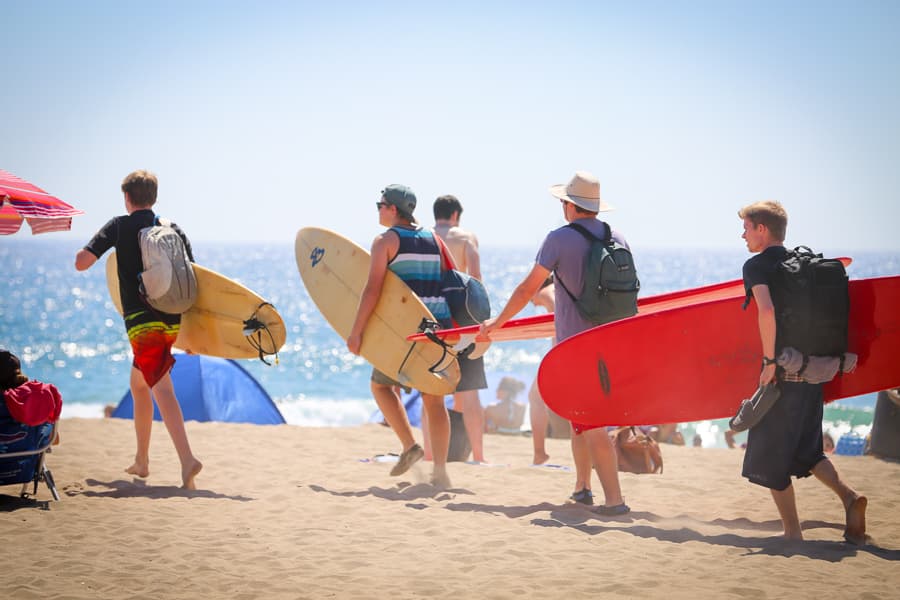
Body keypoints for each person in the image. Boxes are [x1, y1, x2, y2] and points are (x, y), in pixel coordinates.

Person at [481, 171, 629, 515]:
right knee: (580, 418)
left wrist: (496, 324)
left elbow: (527, 289)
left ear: (569, 206)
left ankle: (616, 501)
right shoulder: (618, 237)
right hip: (612, 341)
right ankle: (582, 487)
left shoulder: (559, 239)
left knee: (592, 425)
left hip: (575, 345)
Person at [738, 199, 866, 543]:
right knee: (808, 452)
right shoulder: (804, 264)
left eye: (747, 228)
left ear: (763, 230)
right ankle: (850, 497)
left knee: (770, 457)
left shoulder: (757, 266)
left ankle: (792, 533)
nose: (743, 235)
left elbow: (765, 312)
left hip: (784, 372)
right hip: (814, 373)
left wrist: (768, 363)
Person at [75, 170, 202, 489]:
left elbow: (82, 262)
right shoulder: (172, 228)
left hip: (141, 322)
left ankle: (188, 460)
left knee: (162, 388)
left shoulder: (119, 225)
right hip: (172, 317)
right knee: (140, 385)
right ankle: (142, 460)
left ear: (127, 198)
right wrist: (192, 335)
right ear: (154, 197)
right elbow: (193, 278)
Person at [347, 184, 453, 488]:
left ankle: (410, 445)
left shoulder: (384, 241)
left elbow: (373, 289)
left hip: (404, 333)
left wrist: (356, 332)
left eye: (380, 204)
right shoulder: (434, 238)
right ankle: (441, 471)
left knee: (380, 386)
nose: (378, 209)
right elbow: (452, 278)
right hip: (437, 328)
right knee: (435, 400)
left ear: (393, 209)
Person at [432, 194, 489, 462]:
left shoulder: (425, 237)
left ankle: (431, 455)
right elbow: (476, 280)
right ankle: (478, 456)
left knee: (429, 389)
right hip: (463, 318)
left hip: (432, 318)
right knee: (470, 392)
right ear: (455, 215)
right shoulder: (466, 238)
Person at [527, 276, 556, 464]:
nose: (533, 303)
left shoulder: (547, 293)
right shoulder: (560, 288)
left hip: (564, 351)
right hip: (573, 348)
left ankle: (539, 454)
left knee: (535, 398)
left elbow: (560, 319)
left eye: (530, 297)